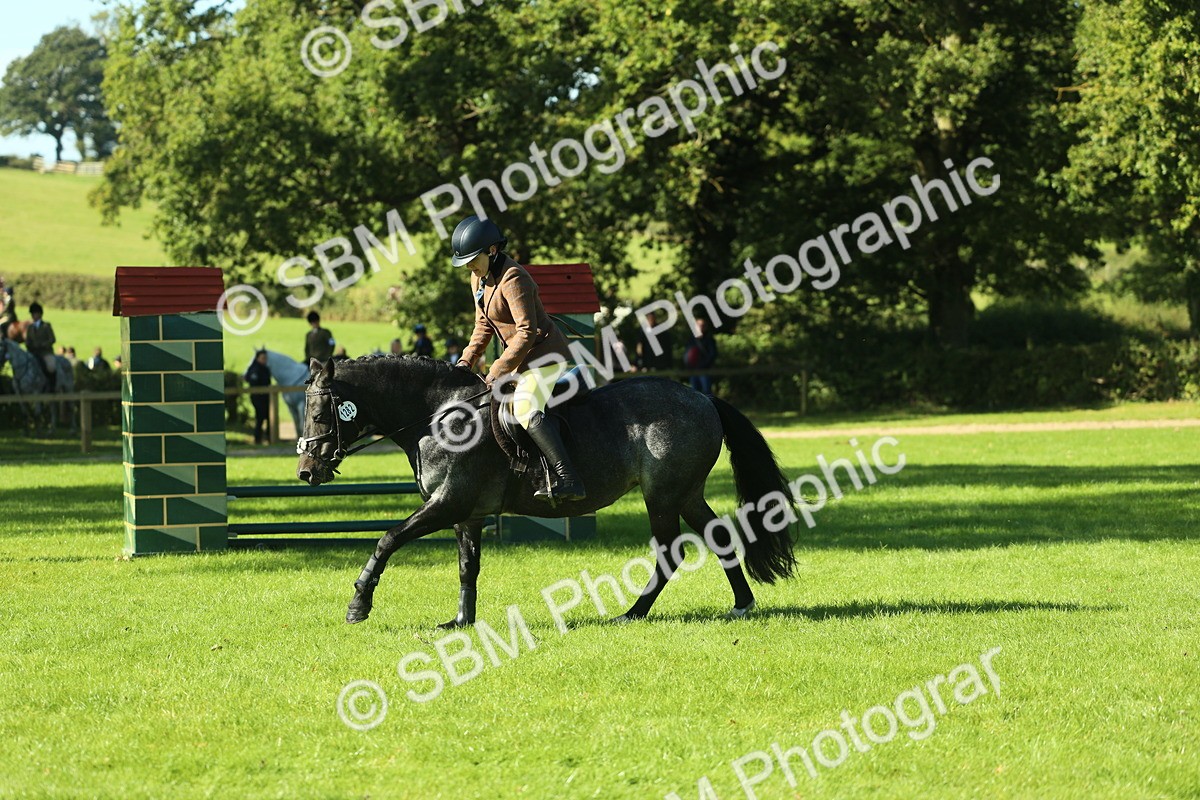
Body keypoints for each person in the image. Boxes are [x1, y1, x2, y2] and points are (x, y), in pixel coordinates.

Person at [452, 215, 585, 502]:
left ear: (492, 250)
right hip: (520, 360)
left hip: (545, 356)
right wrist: (466, 361)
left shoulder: (514, 278)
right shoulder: (478, 278)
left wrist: (498, 368)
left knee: (525, 408)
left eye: (472, 259)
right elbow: (483, 326)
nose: (469, 267)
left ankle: (568, 478)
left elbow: (526, 331)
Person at [25, 302, 57, 390]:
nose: (32, 316)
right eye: (32, 314)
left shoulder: (46, 326)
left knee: (51, 367)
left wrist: (42, 345)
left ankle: (51, 386)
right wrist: (29, 346)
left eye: (34, 314)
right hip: (33, 353)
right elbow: (27, 340)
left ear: (39, 314)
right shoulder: (30, 327)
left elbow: (52, 339)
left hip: (45, 352)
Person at [683, 317, 717, 395]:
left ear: (705, 327)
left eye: (701, 325)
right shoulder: (691, 340)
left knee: (707, 393)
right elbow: (687, 354)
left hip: (704, 371)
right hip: (693, 371)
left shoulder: (709, 339)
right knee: (694, 393)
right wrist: (688, 366)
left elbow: (712, 354)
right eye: (697, 325)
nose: (699, 327)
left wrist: (704, 365)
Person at [244, 349, 272, 445]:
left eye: (265, 358)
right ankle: (258, 439)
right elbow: (251, 381)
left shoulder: (265, 369)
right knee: (260, 418)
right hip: (257, 398)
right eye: (262, 358)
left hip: (266, 397)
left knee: (269, 417)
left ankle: (269, 438)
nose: (264, 360)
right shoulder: (254, 369)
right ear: (257, 358)